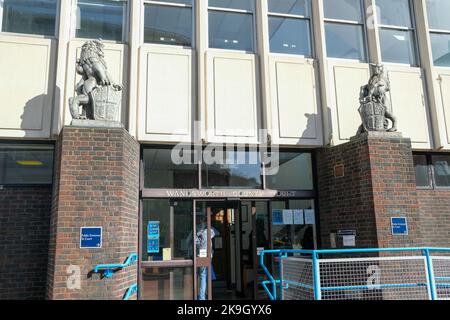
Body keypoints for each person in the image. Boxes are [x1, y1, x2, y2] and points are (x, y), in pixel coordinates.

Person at [187, 214, 219, 300]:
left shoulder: (195, 229)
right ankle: (202, 297)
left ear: (199, 220)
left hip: (196, 255)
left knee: (197, 275)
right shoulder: (210, 229)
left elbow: (188, 240)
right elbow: (218, 233)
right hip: (207, 256)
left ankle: (196, 295)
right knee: (203, 275)